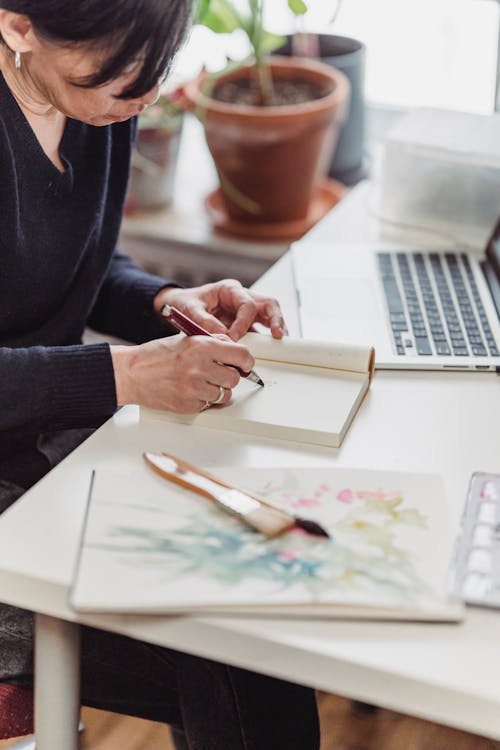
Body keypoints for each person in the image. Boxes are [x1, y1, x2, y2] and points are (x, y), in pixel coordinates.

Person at [0, 1, 320, 748]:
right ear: (17, 26)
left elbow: (65, 264)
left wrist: (165, 301)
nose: (142, 99)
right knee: (238, 648)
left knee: (257, 588)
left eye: (157, 71)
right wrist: (125, 376)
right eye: (118, 80)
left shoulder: (95, 98)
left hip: (42, 449)